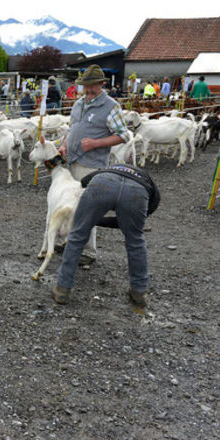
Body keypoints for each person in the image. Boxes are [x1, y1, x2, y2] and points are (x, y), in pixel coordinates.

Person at [51, 164, 160, 307]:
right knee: (136, 240)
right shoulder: (153, 194)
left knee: (77, 235)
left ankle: (62, 289)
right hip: (137, 192)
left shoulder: (105, 169)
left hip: (102, 183)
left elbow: (83, 183)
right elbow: (129, 224)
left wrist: (88, 220)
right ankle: (139, 293)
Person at [58, 64, 130, 264]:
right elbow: (72, 129)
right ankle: (69, 241)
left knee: (88, 208)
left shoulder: (111, 106)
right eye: (85, 86)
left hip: (92, 165)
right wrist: (65, 145)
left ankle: (88, 252)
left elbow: (123, 135)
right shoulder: (78, 104)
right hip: (72, 161)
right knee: (70, 203)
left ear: (101, 84)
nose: (88, 91)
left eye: (92, 87)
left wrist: (96, 143)